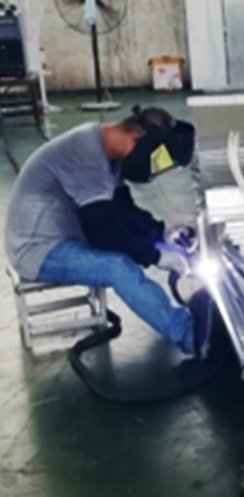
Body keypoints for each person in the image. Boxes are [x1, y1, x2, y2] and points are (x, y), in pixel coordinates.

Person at [4, 106, 213, 358]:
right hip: (36, 249)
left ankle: (188, 314)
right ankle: (189, 336)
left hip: (67, 235)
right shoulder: (86, 153)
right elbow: (104, 230)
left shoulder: (108, 154)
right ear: (137, 140)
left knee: (134, 248)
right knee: (119, 267)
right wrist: (157, 256)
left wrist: (163, 233)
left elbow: (123, 210)